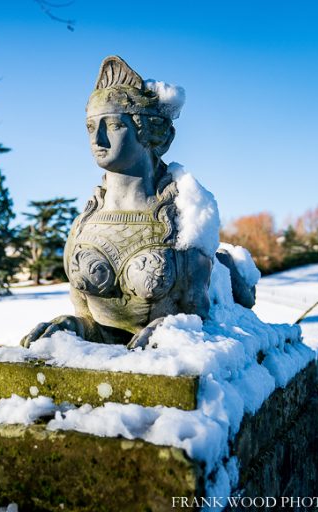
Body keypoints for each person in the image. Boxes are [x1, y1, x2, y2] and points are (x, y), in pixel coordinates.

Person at [21, 55, 214, 349]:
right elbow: (90, 319)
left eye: (112, 125)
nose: (97, 139)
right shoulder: (83, 227)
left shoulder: (185, 223)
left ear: (147, 132)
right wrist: (75, 326)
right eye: (90, 127)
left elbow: (199, 317)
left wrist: (170, 329)